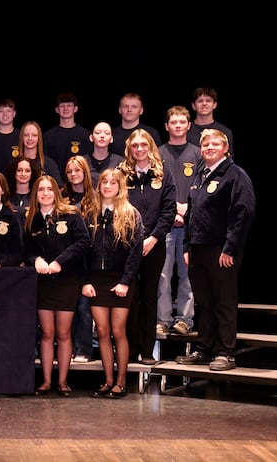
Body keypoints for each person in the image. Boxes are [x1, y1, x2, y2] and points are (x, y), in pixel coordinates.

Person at [176, 129, 255, 371]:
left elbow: (243, 213)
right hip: (198, 249)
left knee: (223, 300)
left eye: (215, 144)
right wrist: (188, 246)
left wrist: (230, 248)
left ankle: (225, 353)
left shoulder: (234, 175)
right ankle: (203, 349)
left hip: (222, 249)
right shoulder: (200, 175)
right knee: (203, 301)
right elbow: (191, 214)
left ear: (225, 148)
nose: (209, 147)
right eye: (205, 144)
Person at [22, 175, 90, 397]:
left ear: (56, 192)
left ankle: (63, 381)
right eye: (40, 190)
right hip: (42, 283)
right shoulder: (31, 219)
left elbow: (82, 242)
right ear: (35, 194)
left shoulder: (70, 215)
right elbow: (26, 250)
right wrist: (36, 261)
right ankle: (46, 381)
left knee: (63, 333)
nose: (45, 193)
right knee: (47, 333)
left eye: (49, 189)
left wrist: (60, 261)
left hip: (66, 281)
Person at [81, 168, 144, 398]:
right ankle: (107, 380)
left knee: (118, 331)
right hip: (97, 280)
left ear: (120, 187)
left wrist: (126, 282)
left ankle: (121, 381)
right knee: (103, 332)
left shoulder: (131, 213)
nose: (108, 186)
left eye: (112, 182)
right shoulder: (90, 213)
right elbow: (83, 251)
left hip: (121, 280)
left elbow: (135, 253)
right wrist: (86, 281)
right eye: (104, 182)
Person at [119, 129, 176, 365]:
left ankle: (146, 351)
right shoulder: (122, 174)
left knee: (149, 296)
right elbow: (116, 206)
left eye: (143, 145)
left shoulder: (162, 173)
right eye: (135, 146)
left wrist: (153, 238)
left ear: (150, 146)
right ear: (130, 149)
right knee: (130, 298)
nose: (139, 149)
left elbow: (169, 211)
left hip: (154, 244)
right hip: (126, 245)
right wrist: (131, 240)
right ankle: (129, 350)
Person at [157, 106, 202, 336]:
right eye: (172, 122)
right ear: (166, 126)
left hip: (191, 225)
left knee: (187, 273)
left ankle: (185, 319)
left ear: (188, 125)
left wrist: (187, 210)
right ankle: (162, 319)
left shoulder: (198, 153)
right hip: (164, 224)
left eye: (181, 122)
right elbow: (156, 190)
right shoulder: (157, 153)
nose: (177, 125)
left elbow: (204, 188)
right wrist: (172, 210)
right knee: (162, 274)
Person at [60, 155, 95, 364]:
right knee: (68, 307)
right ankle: (67, 348)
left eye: (77, 170)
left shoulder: (95, 196)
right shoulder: (62, 197)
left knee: (84, 307)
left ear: (85, 172)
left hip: (89, 259)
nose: (74, 174)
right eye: (70, 171)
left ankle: (84, 349)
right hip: (67, 258)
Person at [43, 92, 92, 172]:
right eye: (62, 106)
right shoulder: (48, 136)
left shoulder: (86, 135)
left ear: (75, 109)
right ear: (57, 110)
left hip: (79, 181)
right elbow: (46, 164)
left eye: (69, 105)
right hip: (55, 182)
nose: (65, 109)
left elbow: (88, 163)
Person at [187, 87, 235, 158]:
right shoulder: (185, 130)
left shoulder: (225, 131)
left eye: (208, 101)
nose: (204, 103)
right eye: (200, 101)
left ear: (215, 105)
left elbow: (228, 158)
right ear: (193, 106)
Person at [5, 156, 41, 236]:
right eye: (19, 170)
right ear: (14, 172)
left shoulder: (37, 197)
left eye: (27, 171)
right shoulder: (6, 197)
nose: (23, 174)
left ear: (32, 173)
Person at [83, 121, 125, 185]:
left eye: (106, 133)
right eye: (98, 133)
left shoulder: (120, 162)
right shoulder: (83, 162)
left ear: (111, 139)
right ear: (91, 138)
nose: (102, 136)